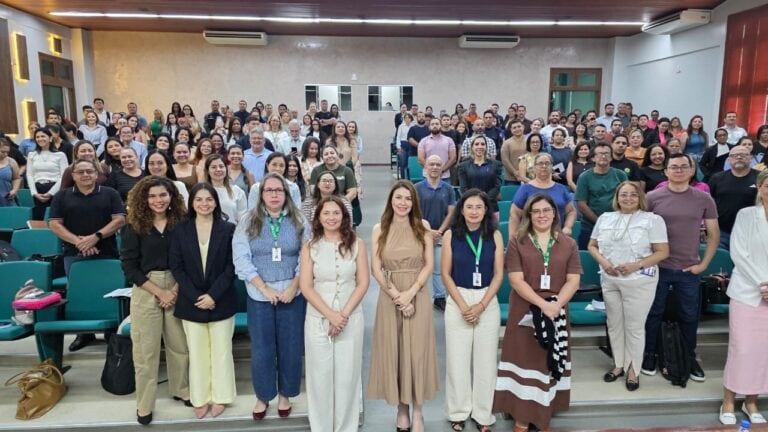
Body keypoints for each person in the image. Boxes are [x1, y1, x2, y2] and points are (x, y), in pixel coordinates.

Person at [494, 193, 581, 432]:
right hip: (524, 309)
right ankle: (521, 418)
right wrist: (544, 305)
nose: (542, 215)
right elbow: (516, 280)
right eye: (536, 211)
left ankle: (543, 417)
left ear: (555, 214)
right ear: (529, 215)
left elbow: (573, 280)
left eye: (546, 210)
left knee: (548, 362)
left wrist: (555, 305)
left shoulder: (568, 243)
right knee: (524, 361)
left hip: (557, 310)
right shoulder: (517, 241)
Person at [233, 173, 310, 421]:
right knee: (262, 349)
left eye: (279, 190)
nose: (274, 195)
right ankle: (264, 396)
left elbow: (306, 256)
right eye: (269, 190)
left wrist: (293, 287)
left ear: (286, 194)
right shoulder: (248, 220)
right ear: (261, 194)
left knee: (291, 346)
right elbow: (241, 258)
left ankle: (286, 394)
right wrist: (265, 289)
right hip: (259, 293)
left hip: (292, 293)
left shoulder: (299, 219)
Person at [642, 153, 719, 382]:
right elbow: (640, 231)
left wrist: (703, 265)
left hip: (689, 269)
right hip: (659, 268)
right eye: (673, 167)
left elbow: (714, 234)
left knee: (689, 315)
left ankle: (689, 356)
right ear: (665, 171)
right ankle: (650, 354)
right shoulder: (652, 197)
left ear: (691, 170)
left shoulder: (704, 198)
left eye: (683, 167)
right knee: (653, 313)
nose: (678, 171)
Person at [368, 180, 438, 432]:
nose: (403, 202)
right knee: (395, 353)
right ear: (391, 200)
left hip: (417, 294)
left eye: (408, 198)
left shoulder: (423, 226)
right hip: (390, 297)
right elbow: (376, 269)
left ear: (414, 202)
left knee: (417, 354)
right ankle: (401, 409)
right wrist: (398, 296)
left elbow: (429, 265)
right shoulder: (379, 229)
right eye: (398, 197)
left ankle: (418, 411)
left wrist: (410, 293)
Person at [120, 176, 190, 425]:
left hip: (177, 285)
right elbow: (129, 267)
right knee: (145, 351)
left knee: (179, 345)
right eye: (152, 196)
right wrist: (160, 293)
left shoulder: (182, 223)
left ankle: (181, 389)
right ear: (143, 199)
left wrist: (175, 289)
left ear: (171, 196)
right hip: (147, 287)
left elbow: (189, 260)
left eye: (163, 195)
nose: (158, 200)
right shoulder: (134, 225)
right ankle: (145, 404)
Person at [587, 181, 669, 391]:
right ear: (617, 197)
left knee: (634, 327)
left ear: (640, 197)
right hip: (610, 279)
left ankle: (633, 369)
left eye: (633, 194)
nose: (628, 198)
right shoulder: (605, 218)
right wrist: (604, 263)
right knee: (614, 324)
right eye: (623, 194)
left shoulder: (652, 220)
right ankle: (618, 364)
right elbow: (592, 246)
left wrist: (636, 265)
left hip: (639, 281)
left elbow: (662, 252)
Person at [299, 196, 369, 432]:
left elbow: (363, 282)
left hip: (351, 317)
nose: (331, 217)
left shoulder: (357, 244)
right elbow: (306, 286)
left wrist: (343, 315)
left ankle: (346, 427)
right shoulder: (310, 247)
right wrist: (331, 315)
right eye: (326, 213)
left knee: (348, 377)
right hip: (318, 318)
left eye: (336, 213)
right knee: (319, 377)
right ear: (318, 218)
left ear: (344, 216)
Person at [170, 183, 237, 419]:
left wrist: (213, 295)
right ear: (192, 203)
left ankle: (221, 397)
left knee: (221, 351)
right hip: (191, 301)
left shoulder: (228, 229)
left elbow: (231, 267)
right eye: (199, 199)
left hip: (221, 299)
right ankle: (199, 398)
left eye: (209, 199)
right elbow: (176, 267)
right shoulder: (181, 229)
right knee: (197, 352)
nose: (204, 204)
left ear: (216, 202)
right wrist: (197, 296)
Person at [441, 189, 503, 432]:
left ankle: (483, 413)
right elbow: (445, 274)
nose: (474, 211)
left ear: (486, 210)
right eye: (469, 207)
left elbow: (499, 274)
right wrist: (464, 305)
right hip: (459, 299)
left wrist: (481, 305)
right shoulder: (450, 235)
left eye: (479, 207)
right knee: (457, 360)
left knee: (486, 361)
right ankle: (458, 412)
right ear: (462, 209)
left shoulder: (495, 235)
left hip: (486, 299)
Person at [49, 158, 125, 351]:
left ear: (96, 174)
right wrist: (80, 242)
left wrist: (95, 237)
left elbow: (119, 220)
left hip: (106, 251)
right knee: (79, 292)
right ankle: (83, 334)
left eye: (89, 171)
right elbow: (55, 224)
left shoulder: (110, 193)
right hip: (73, 253)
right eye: (80, 172)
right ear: (73, 175)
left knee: (108, 291)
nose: (85, 175)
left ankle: (111, 331)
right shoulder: (62, 196)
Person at [719, 170, 768, 425]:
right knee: (742, 349)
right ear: (760, 187)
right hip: (747, 294)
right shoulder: (746, 215)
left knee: (763, 352)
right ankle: (728, 400)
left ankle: (751, 401)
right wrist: (764, 284)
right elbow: (739, 253)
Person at [415, 155, 457, 311]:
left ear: (442, 168)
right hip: (420, 234)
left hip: (441, 235)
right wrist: (428, 230)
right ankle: (417, 295)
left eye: (438, 164)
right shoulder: (417, 188)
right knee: (419, 268)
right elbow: (413, 213)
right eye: (431, 164)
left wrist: (439, 231)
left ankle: (439, 297)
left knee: (439, 268)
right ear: (425, 167)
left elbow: (451, 212)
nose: (434, 167)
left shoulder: (448, 189)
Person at [575, 142, 629, 249]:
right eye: (600, 154)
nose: (603, 156)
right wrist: (599, 221)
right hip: (590, 225)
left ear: (611, 157)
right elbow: (581, 204)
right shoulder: (584, 177)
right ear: (593, 158)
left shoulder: (620, 175)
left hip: (617, 225)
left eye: (606, 153)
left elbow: (628, 198)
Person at [509, 153, 577, 236]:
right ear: (534, 167)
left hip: (557, 236)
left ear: (552, 167)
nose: (544, 166)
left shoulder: (561, 189)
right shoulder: (525, 189)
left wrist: (567, 227)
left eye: (547, 163)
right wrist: (513, 239)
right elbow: (515, 214)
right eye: (540, 163)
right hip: (531, 237)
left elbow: (571, 211)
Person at [709, 145, 759, 250]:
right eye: (734, 155)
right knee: (721, 260)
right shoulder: (716, 178)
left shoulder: (760, 178)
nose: (739, 157)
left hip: (752, 232)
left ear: (751, 158)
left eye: (743, 155)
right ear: (729, 159)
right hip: (722, 232)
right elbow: (709, 203)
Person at [26, 127, 69, 220]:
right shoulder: (31, 155)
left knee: (54, 217)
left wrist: (50, 193)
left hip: (55, 189)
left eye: (43, 136)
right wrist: (34, 193)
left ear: (50, 138)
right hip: (38, 189)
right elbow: (29, 175)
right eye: (37, 137)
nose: (40, 139)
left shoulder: (60, 155)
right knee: (39, 218)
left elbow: (64, 176)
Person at [458, 136, 502, 218]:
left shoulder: (496, 165)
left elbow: (497, 186)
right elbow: (463, 187)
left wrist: (484, 200)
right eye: (477, 144)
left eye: (482, 144)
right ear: (472, 147)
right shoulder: (463, 166)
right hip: (471, 206)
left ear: (486, 147)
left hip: (491, 205)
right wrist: (476, 201)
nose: (480, 146)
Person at [204, 154, 247, 224]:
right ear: (208, 171)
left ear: (226, 169)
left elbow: (243, 219)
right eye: (213, 167)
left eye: (221, 166)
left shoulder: (237, 191)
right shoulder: (202, 191)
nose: (218, 169)